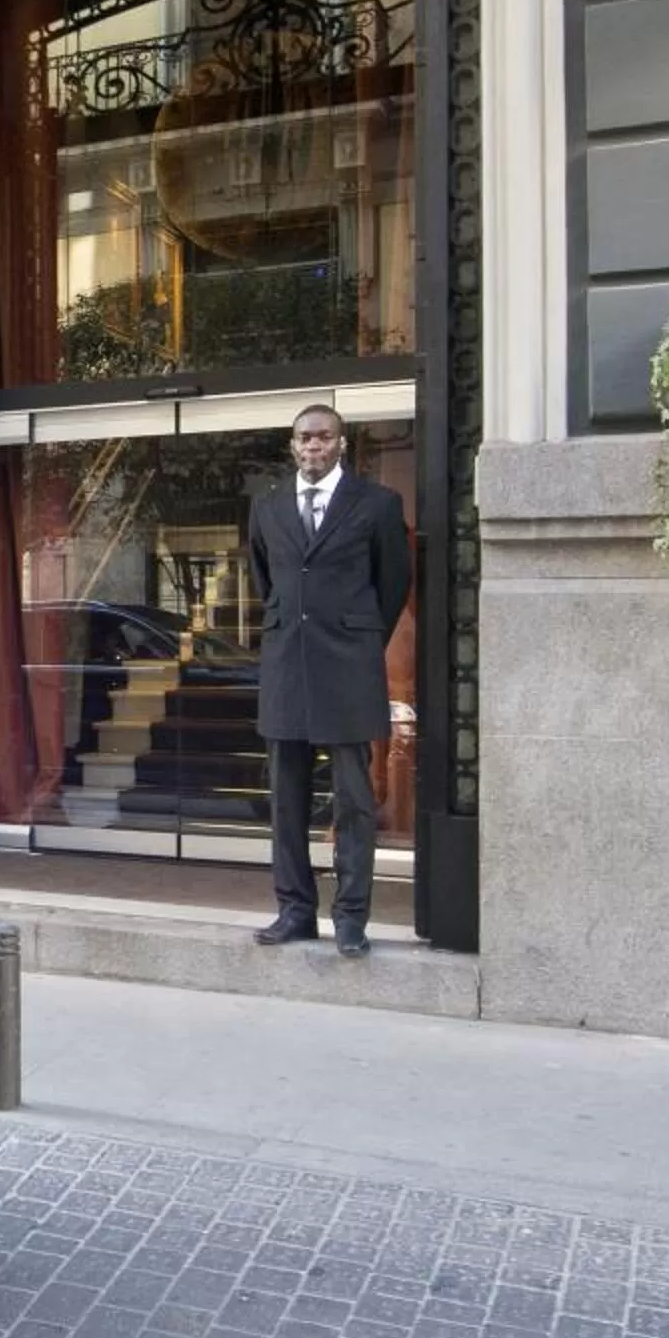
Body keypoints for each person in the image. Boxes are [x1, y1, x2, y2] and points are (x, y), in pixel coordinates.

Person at [246, 402, 411, 958]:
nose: (312, 447)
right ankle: (294, 911)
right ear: (291, 445)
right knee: (287, 800)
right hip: (287, 666)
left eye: (323, 437)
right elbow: (265, 579)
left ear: (341, 444)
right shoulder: (267, 507)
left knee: (354, 801)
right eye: (303, 438)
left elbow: (392, 586)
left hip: (349, 665)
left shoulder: (378, 505)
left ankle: (350, 919)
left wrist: (358, 638)